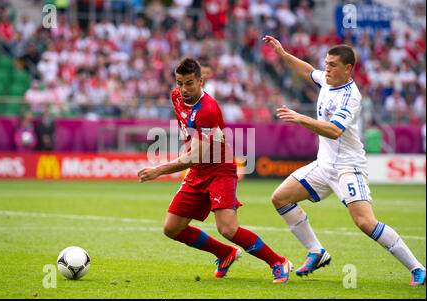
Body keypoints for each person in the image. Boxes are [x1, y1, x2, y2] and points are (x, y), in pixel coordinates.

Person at [262, 35, 426, 286]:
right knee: (280, 198)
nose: (326, 69)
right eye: (326, 64)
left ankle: (417, 268)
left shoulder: (351, 96)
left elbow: (334, 130)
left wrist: (301, 118)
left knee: (364, 222)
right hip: (323, 165)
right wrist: (283, 54)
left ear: (348, 69)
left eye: (332, 65)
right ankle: (317, 252)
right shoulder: (327, 81)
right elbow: (308, 70)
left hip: (348, 168)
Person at [137, 58, 292, 283]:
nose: (183, 89)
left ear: (201, 81)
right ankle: (224, 253)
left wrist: (159, 170)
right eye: (179, 83)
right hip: (197, 173)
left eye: (189, 83)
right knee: (172, 228)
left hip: (219, 170)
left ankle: (278, 262)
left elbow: (195, 155)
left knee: (228, 228)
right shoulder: (175, 97)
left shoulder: (208, 110)